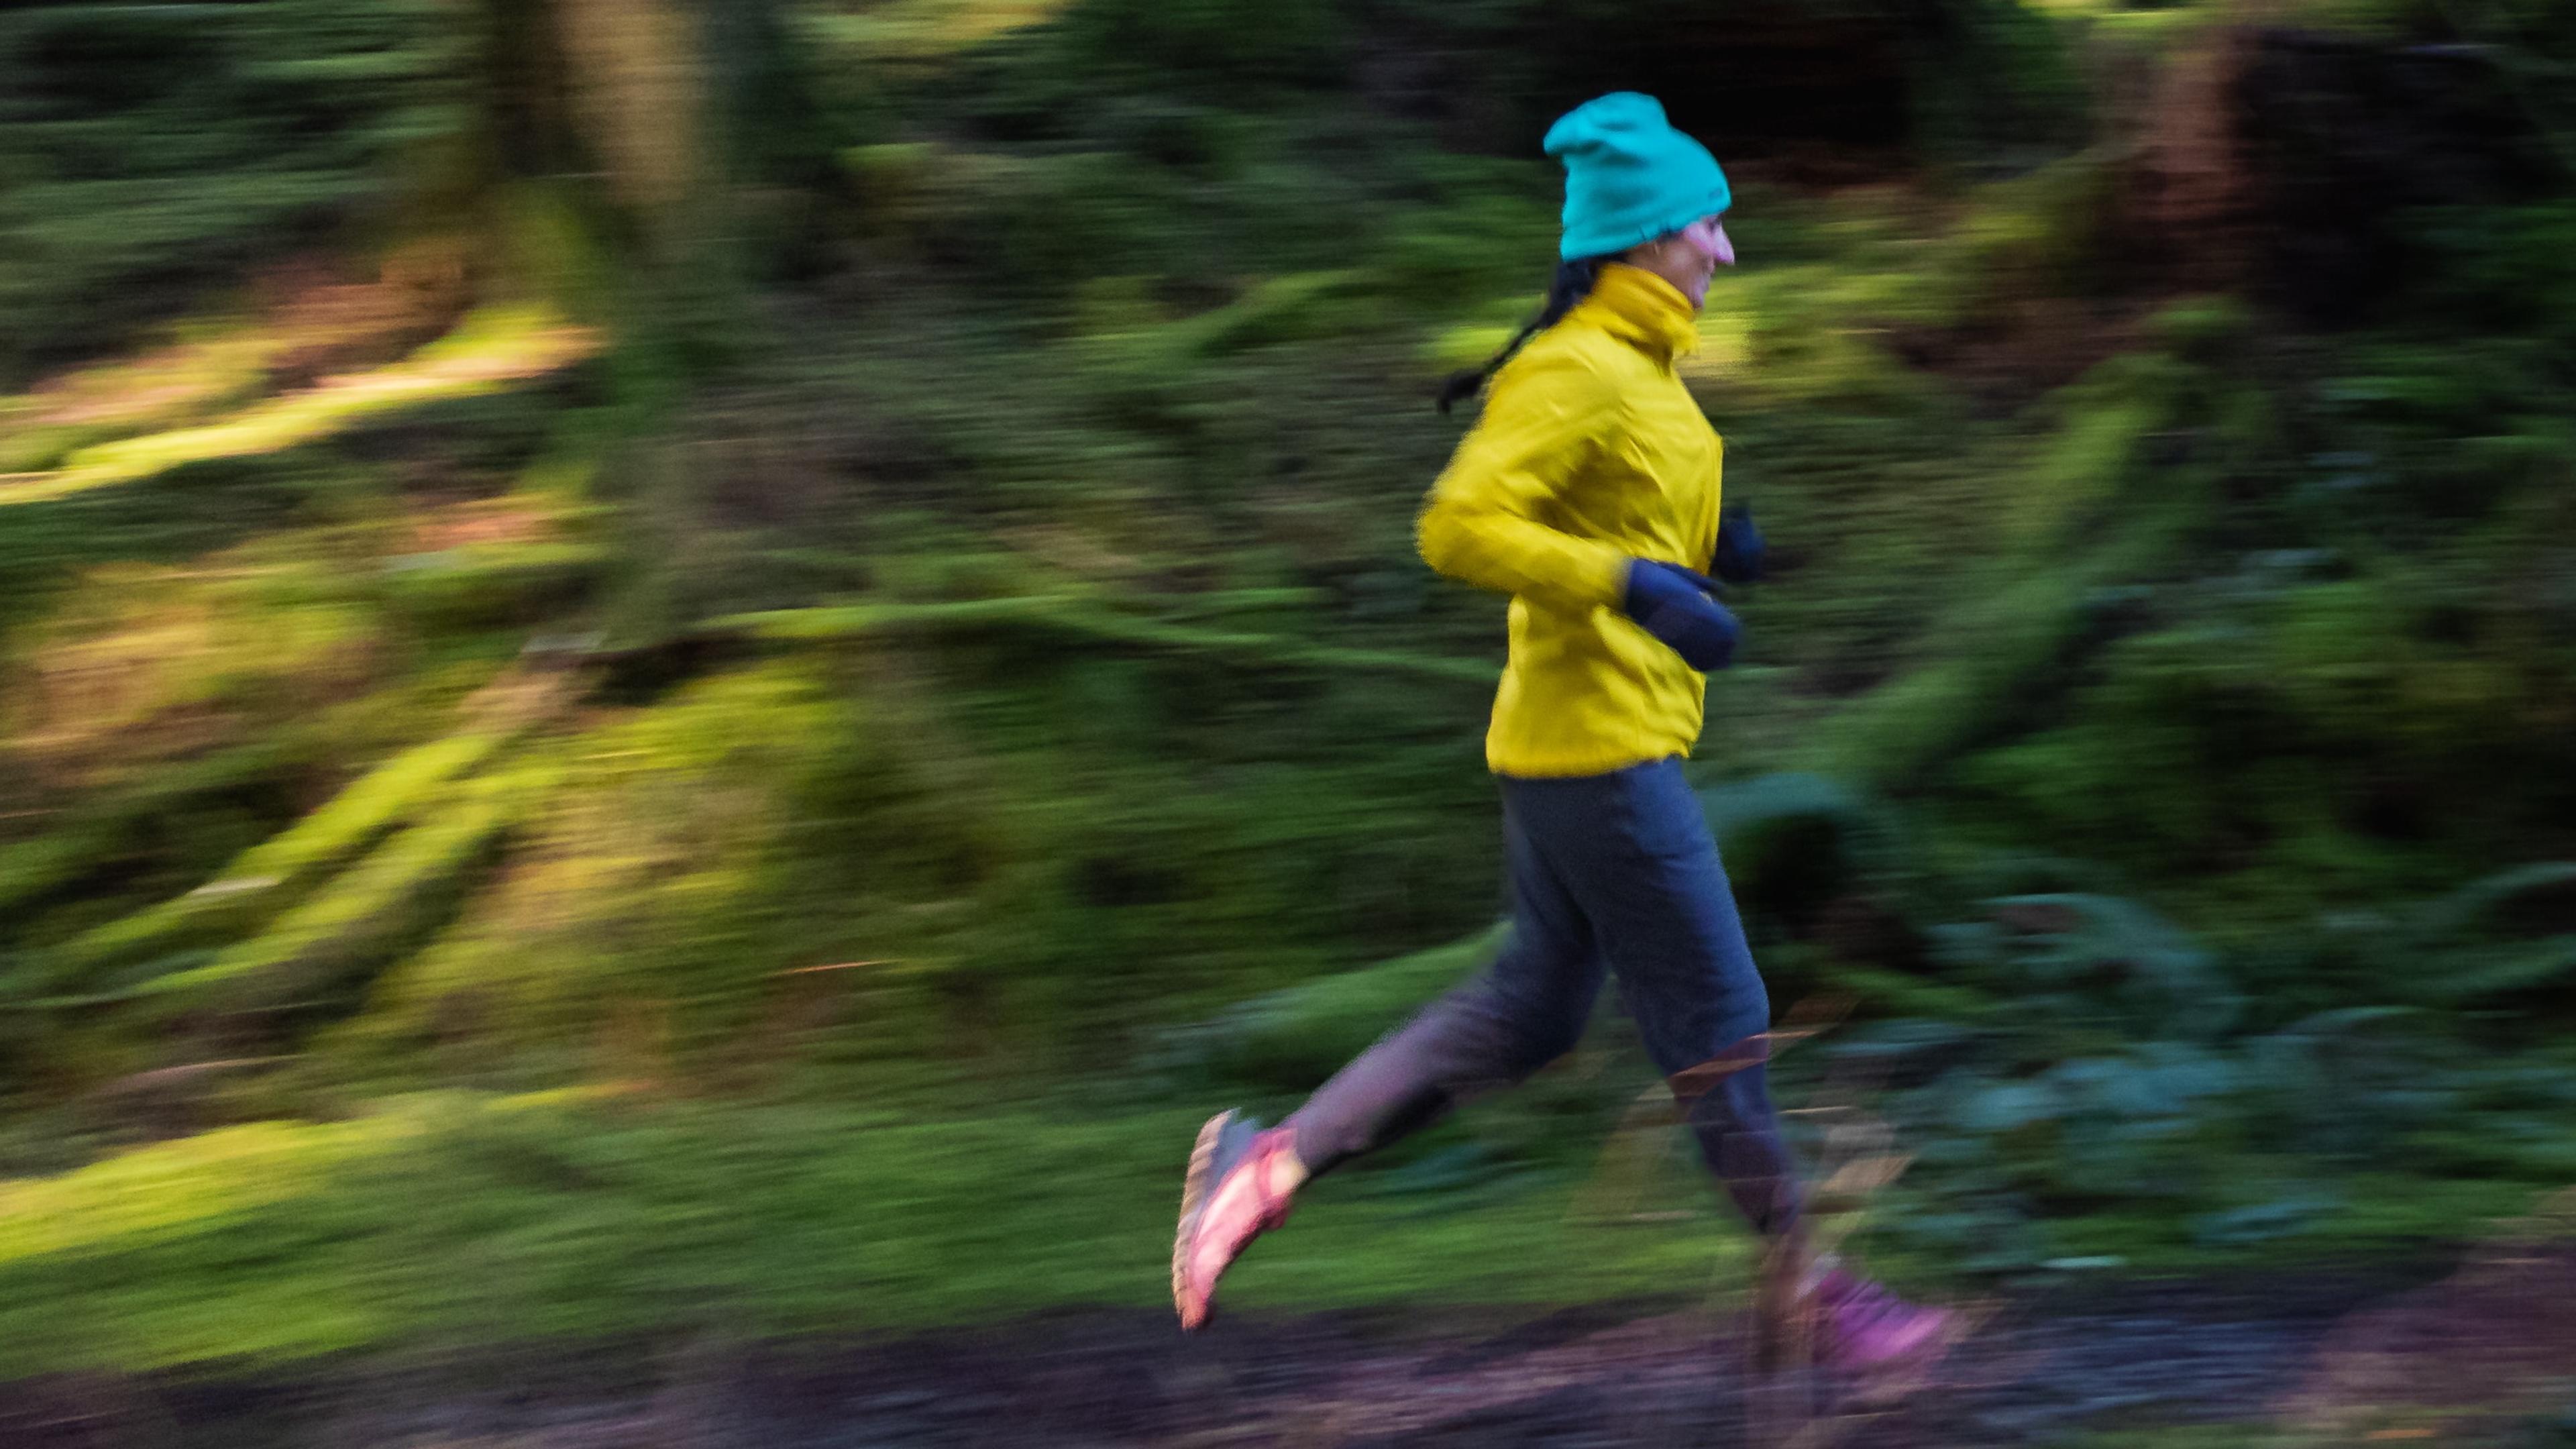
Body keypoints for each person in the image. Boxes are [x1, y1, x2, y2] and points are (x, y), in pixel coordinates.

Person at [1170, 92, 1957, 1376]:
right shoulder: (1575, 367)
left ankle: (1265, 1165)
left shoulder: (1634, 366)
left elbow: (1610, 506)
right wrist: (1632, 586)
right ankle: (1810, 1294)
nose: (1727, 250)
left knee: (1531, 1012)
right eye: (1711, 223)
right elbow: (1457, 526)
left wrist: (1708, 554)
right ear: (1650, 234)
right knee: (1722, 1014)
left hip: (1575, 745)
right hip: (1598, 754)